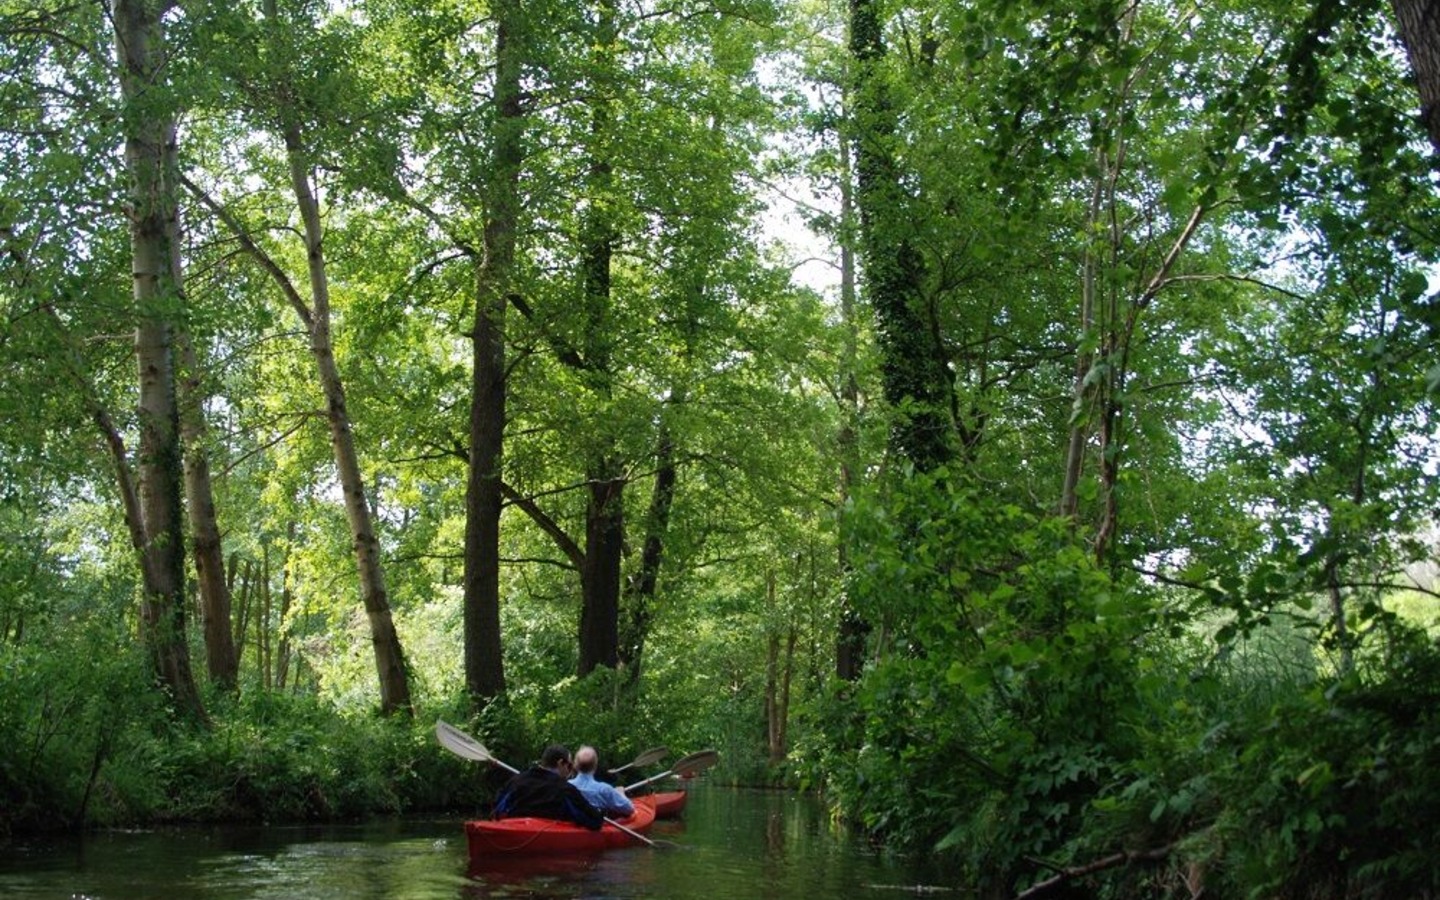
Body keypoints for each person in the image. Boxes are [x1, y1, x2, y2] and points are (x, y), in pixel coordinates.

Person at [493, 744, 604, 829]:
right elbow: (595, 821)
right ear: (560, 763)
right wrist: (600, 813)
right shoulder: (566, 789)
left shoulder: (516, 780)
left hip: (515, 829)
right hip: (547, 836)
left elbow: (497, 811)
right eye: (569, 766)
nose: (570, 771)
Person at [568, 745, 634, 817]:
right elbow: (629, 809)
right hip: (598, 825)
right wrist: (621, 793)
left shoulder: (566, 786)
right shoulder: (604, 789)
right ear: (595, 765)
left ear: (575, 765)